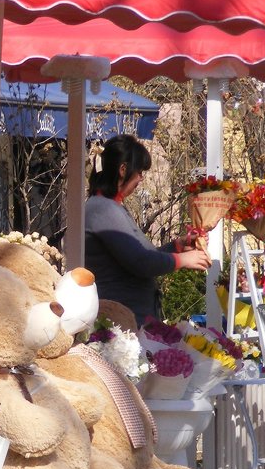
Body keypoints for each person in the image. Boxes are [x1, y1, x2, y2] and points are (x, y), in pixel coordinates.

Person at [84, 134, 212, 326]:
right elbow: (141, 262)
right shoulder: (103, 209)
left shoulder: (112, 207)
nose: (141, 179)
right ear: (123, 170)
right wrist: (183, 260)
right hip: (119, 323)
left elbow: (142, 256)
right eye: (140, 172)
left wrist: (177, 246)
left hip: (132, 319)